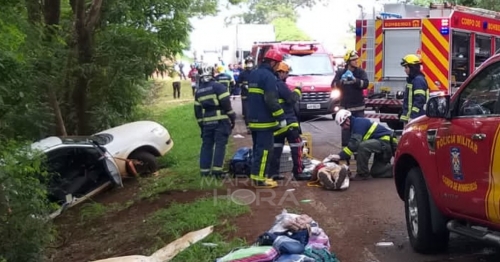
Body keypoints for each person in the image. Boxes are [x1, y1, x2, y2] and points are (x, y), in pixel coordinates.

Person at [247, 49, 287, 188]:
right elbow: (271, 100)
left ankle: (255, 175)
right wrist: (281, 117)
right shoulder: (269, 77)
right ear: (272, 62)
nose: (278, 67)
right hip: (265, 121)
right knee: (265, 150)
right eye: (277, 64)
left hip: (253, 119)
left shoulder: (254, 74)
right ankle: (260, 179)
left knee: (257, 149)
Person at [326, 109, 397, 180]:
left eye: (342, 125)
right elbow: (352, 147)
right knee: (376, 172)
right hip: (384, 145)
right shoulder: (355, 126)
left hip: (385, 143)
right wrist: (345, 157)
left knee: (362, 146)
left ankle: (363, 174)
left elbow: (354, 144)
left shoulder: (358, 124)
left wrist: (339, 156)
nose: (342, 128)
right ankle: (399, 169)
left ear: (347, 120)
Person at [268, 62, 309, 181]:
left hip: (277, 123)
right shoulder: (280, 84)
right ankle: (298, 172)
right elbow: (291, 100)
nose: (287, 76)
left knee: (276, 148)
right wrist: (298, 90)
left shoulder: (270, 85)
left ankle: (273, 173)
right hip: (289, 122)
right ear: (281, 72)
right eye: (286, 73)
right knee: (297, 147)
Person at [194, 66, 236, 178]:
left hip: (206, 122)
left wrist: (201, 125)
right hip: (220, 121)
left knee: (206, 145)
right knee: (220, 145)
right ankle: (217, 171)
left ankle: (204, 171)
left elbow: (197, 111)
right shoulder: (219, 87)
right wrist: (232, 117)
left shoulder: (198, 91)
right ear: (212, 74)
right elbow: (226, 104)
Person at [331, 50, 369, 147]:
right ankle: (345, 154)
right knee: (346, 131)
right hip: (345, 108)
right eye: (353, 60)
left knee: (359, 130)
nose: (356, 61)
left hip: (358, 108)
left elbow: (365, 84)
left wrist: (355, 80)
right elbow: (333, 85)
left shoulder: (360, 72)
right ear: (348, 62)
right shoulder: (340, 72)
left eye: (356, 59)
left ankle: (358, 152)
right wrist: (341, 81)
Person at [400, 54, 429, 126]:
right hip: (412, 118)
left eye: (406, 67)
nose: (405, 70)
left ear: (412, 67)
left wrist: (413, 116)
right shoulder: (413, 80)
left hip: (415, 119)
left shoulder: (418, 80)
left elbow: (420, 100)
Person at [237, 57, 254, 134]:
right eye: (248, 62)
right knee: (247, 112)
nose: (249, 64)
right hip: (245, 95)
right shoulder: (242, 73)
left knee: (254, 111)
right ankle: (248, 128)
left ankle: (254, 127)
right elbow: (238, 83)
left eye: (251, 62)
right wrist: (243, 86)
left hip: (254, 95)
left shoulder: (255, 72)